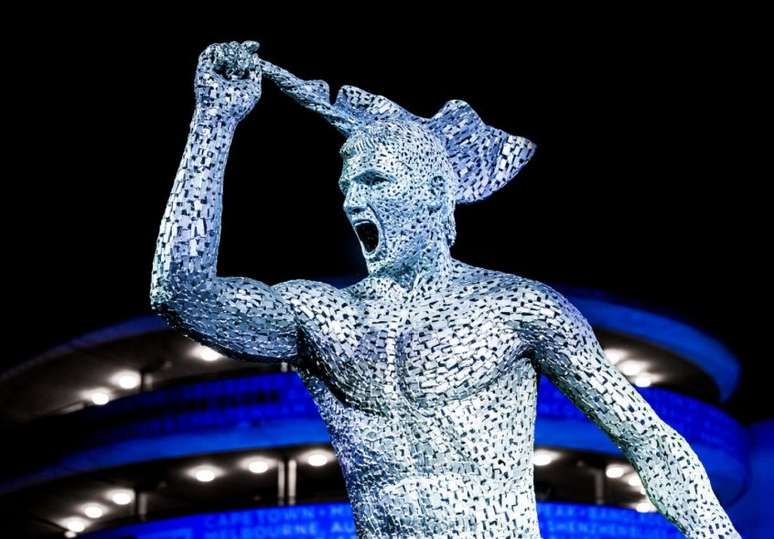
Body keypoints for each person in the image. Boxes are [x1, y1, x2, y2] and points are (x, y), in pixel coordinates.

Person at [150, 41, 739, 538]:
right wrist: (214, 122)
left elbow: (651, 443)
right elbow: (180, 293)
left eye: (376, 180)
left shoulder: (517, 307)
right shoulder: (323, 316)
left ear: (434, 192)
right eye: (347, 186)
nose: (355, 200)